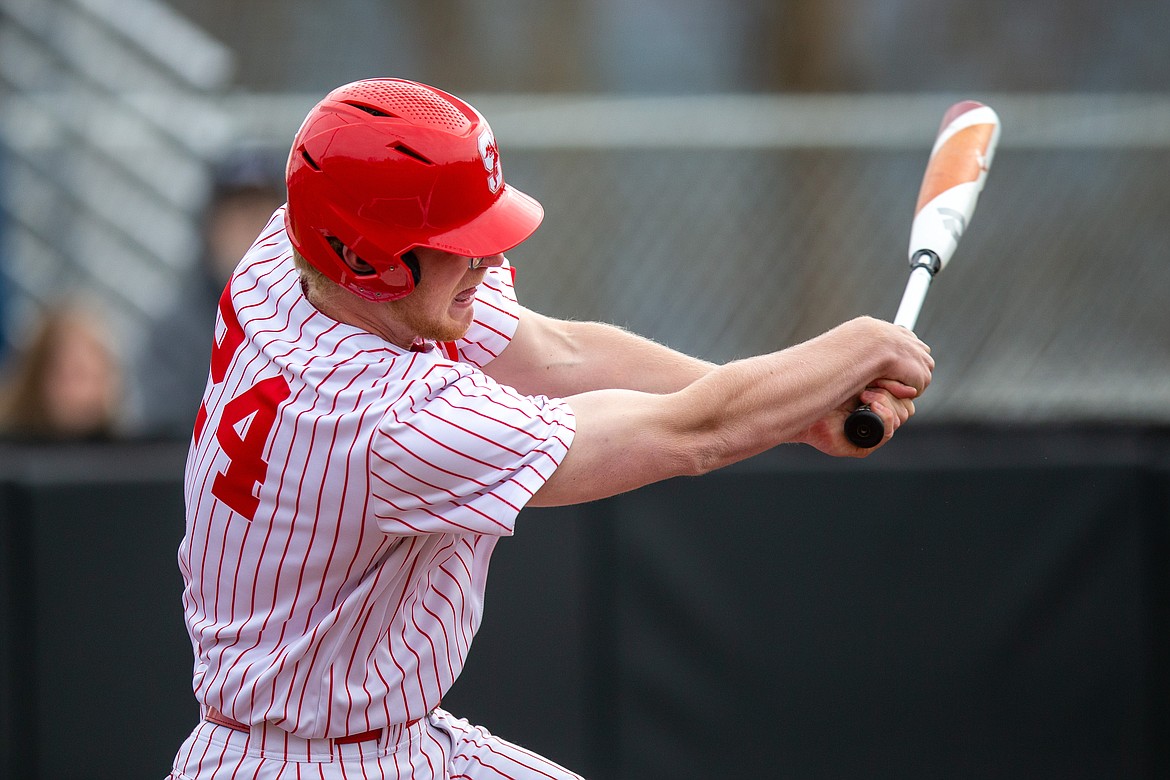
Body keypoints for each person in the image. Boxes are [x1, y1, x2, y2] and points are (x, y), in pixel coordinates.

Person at [169, 78, 932, 779]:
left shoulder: (289, 255)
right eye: (459, 245)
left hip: (377, 741)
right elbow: (685, 435)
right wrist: (856, 348)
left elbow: (558, 354)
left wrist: (802, 405)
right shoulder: (384, 419)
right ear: (368, 260)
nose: (491, 256)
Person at [0, 299, 124, 441]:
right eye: (77, 375)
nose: (87, 392)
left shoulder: (123, 453)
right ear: (40, 376)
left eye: (97, 377)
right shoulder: (9, 451)